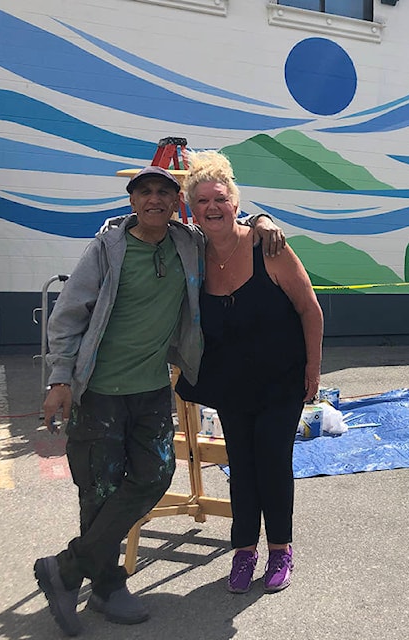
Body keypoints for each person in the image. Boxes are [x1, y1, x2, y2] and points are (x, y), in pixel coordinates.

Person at [35, 165, 286, 637]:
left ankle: (66, 569)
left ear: (177, 204)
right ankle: (107, 585)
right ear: (132, 201)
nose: (154, 200)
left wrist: (262, 219)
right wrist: (59, 379)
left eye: (164, 194)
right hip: (99, 392)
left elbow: (224, 216)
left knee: (155, 475)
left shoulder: (186, 242)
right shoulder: (106, 250)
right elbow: (68, 315)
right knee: (99, 491)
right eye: (144, 192)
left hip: (151, 389)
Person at [175, 150, 323, 595]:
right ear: (192, 210)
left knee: (273, 464)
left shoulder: (269, 247)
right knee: (241, 468)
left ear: (235, 203)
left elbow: (309, 309)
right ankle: (244, 551)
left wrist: (313, 371)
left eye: (219, 199)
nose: (212, 208)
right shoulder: (194, 255)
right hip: (231, 386)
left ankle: (280, 549)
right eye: (201, 202)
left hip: (281, 381)